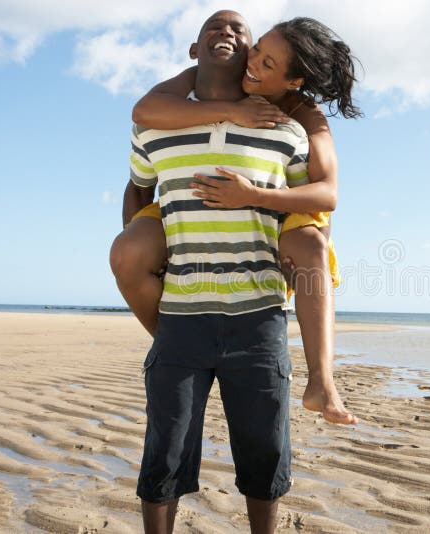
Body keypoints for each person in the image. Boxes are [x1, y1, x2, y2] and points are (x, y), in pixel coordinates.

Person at [111, 17, 362, 425]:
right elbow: (142, 113)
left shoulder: (302, 112)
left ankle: (322, 382)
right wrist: (233, 111)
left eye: (267, 63)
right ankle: (181, 343)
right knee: (130, 250)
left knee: (311, 244)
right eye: (258, 50)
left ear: (292, 81)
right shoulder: (189, 83)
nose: (255, 63)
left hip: (275, 200)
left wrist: (259, 202)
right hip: (189, 197)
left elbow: (327, 194)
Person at [125, 10, 312, 533]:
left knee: (266, 452)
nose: (226, 33)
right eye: (214, 26)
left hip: (259, 319)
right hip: (181, 314)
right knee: (164, 452)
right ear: (194, 49)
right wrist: (144, 244)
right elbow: (138, 187)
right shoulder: (153, 127)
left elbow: (305, 210)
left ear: (253, 56)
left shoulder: (287, 131)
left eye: (238, 30)